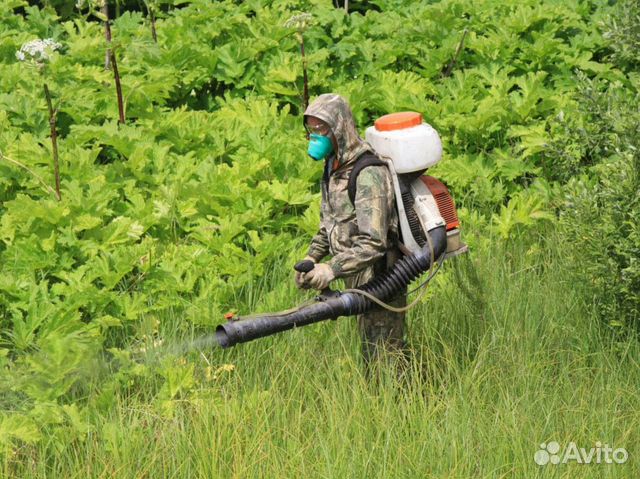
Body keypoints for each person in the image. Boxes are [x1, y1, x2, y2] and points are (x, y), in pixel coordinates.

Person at [295, 93, 408, 372]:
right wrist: (312, 257)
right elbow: (331, 223)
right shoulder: (333, 167)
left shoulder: (367, 173)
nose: (315, 136)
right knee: (370, 351)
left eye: (321, 129)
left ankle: (402, 406)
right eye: (311, 129)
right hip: (355, 276)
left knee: (384, 357)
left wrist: (330, 269)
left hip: (382, 277)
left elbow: (373, 242)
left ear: (340, 128)